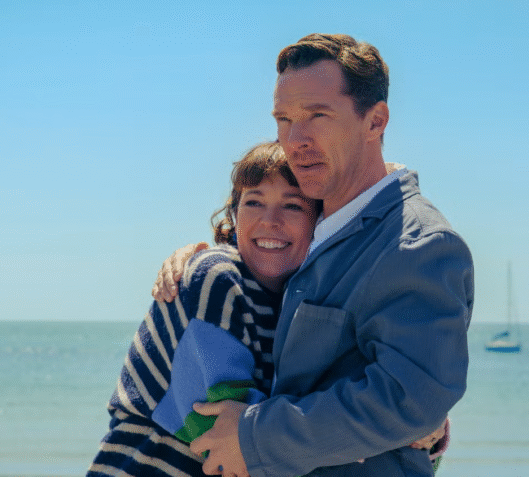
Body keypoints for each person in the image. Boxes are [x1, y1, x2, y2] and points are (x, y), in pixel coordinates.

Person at [152, 34, 473, 477]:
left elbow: (409, 400)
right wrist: (203, 254)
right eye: (283, 119)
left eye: (317, 115)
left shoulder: (417, 244)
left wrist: (253, 436)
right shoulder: (316, 218)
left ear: (375, 121)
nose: (294, 139)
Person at [87, 142, 449, 477]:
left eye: (293, 205)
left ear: (320, 224)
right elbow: (224, 440)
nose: (269, 221)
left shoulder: (305, 308)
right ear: (234, 214)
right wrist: (382, 429)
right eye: (253, 202)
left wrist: (417, 417)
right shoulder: (216, 278)